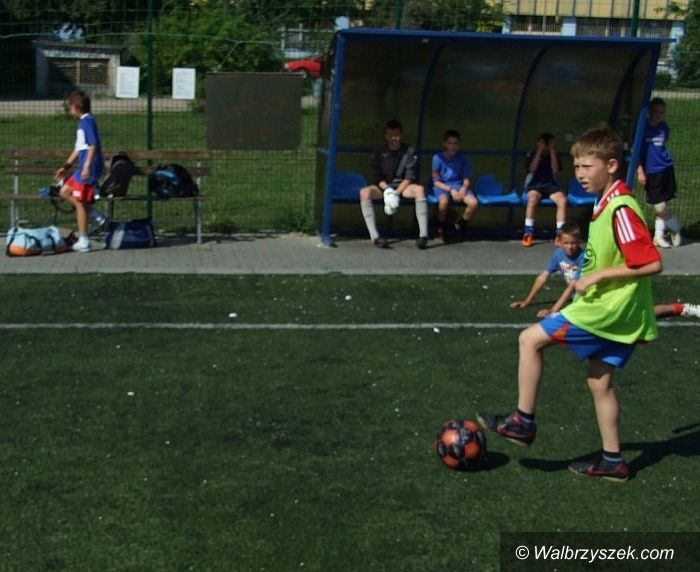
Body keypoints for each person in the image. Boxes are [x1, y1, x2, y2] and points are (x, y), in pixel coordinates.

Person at [479, 125, 662, 483]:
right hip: (620, 312)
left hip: (605, 310)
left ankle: (522, 422)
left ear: (611, 165)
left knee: (529, 340)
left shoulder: (620, 208)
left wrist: (597, 277)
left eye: (587, 166)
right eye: (576, 166)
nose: (579, 173)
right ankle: (613, 461)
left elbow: (651, 262)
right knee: (599, 382)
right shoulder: (604, 202)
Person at [359, 120, 429, 249]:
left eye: (396, 135)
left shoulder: (409, 151)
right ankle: (375, 237)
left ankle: (423, 236)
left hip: (403, 187)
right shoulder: (379, 151)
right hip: (384, 187)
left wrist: (396, 193)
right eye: (390, 135)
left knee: (419, 190)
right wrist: (388, 190)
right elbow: (378, 177)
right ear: (386, 136)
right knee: (364, 192)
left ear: (401, 135)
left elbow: (409, 177)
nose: (393, 138)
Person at [54, 90, 104, 253]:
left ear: (76, 107)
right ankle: (95, 216)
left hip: (88, 168)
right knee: (64, 191)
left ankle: (84, 240)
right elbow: (79, 148)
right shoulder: (82, 123)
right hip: (82, 167)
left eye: (70, 107)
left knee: (79, 201)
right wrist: (66, 166)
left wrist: (87, 166)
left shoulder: (88, 122)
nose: (69, 110)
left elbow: (93, 145)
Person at [509, 221, 584, 318]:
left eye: (573, 243)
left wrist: (552, 310)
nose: (569, 247)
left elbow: (572, 286)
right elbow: (544, 276)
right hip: (576, 297)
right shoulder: (558, 254)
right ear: (559, 241)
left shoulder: (584, 257)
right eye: (566, 243)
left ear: (579, 241)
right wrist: (527, 301)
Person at [636, 97, 683, 248]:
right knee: (660, 206)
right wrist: (640, 170)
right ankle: (676, 227)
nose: (658, 115)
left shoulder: (664, 127)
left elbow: (663, 144)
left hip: (666, 168)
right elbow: (636, 151)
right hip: (651, 171)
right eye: (656, 111)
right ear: (650, 111)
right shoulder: (643, 127)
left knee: (662, 204)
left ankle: (658, 236)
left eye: (662, 112)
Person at [431, 129, 478, 242]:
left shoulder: (463, 159)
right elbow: (436, 181)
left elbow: (467, 178)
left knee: (473, 203)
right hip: (443, 186)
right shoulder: (437, 158)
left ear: (459, 145)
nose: (452, 146)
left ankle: (459, 225)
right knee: (443, 202)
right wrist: (450, 189)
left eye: (455, 144)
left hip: (458, 186)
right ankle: (440, 227)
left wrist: (463, 189)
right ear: (444, 144)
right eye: (450, 143)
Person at [521, 132, 566, 248]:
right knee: (532, 199)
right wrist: (539, 151)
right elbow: (531, 169)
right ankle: (528, 233)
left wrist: (552, 151)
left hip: (551, 186)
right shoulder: (532, 154)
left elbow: (555, 170)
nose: (546, 145)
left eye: (549, 143)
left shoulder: (555, 155)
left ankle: (560, 234)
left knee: (562, 200)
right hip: (535, 186)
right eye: (543, 143)